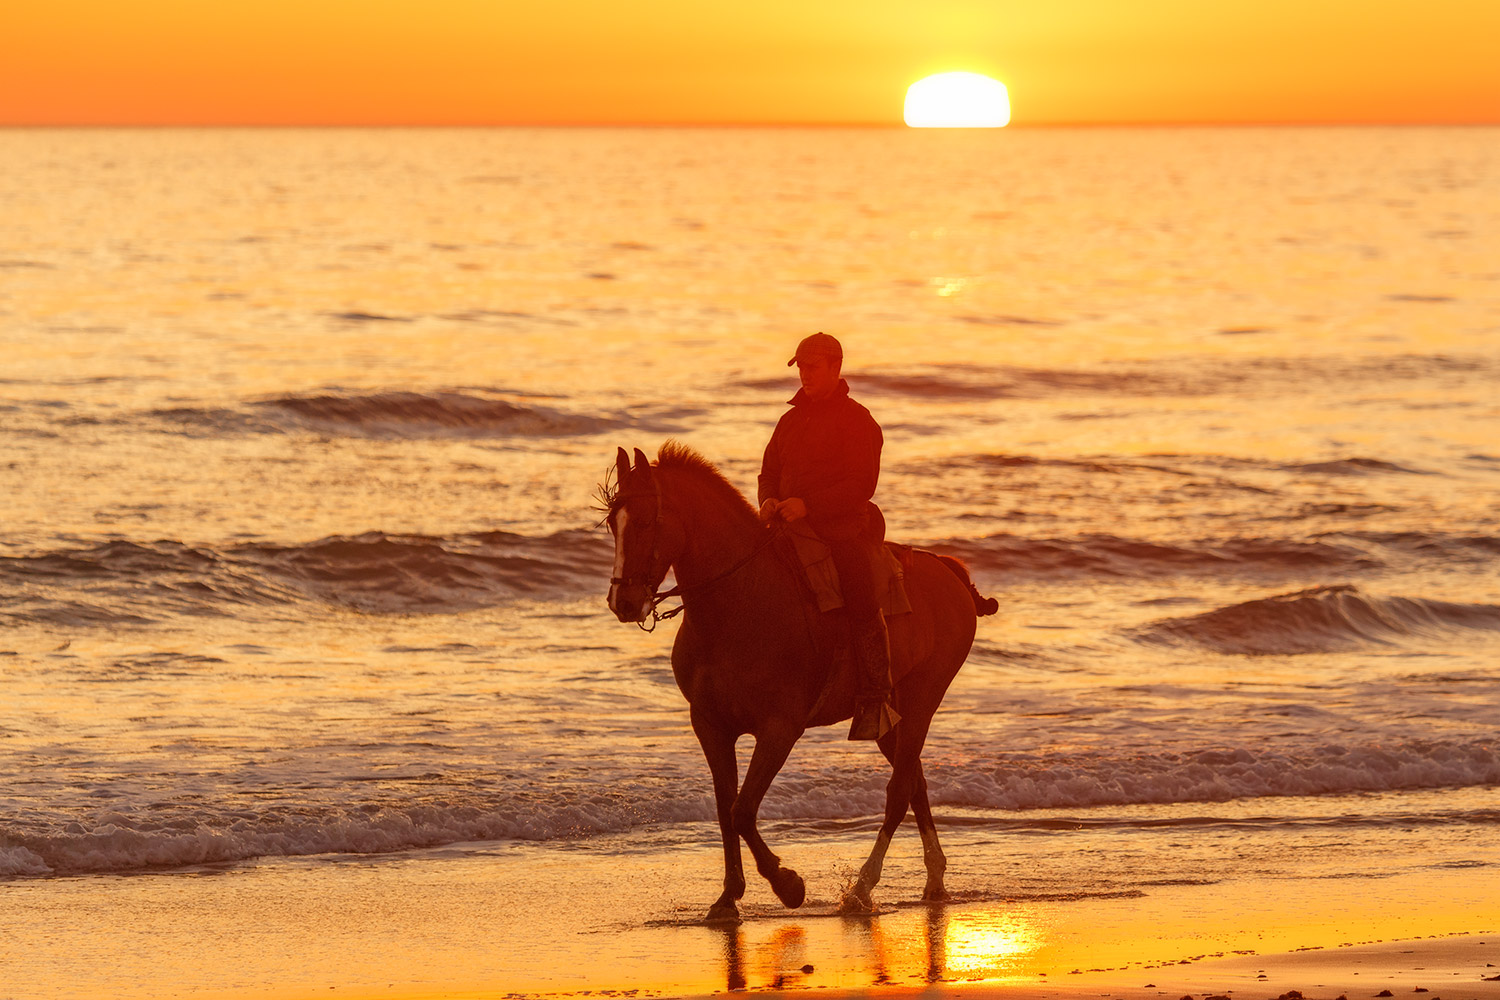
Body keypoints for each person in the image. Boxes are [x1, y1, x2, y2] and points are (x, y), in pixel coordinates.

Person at [757, 332, 901, 741]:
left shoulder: (858, 420)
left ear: (836, 368)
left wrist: (809, 505)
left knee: (858, 589)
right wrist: (768, 499)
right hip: (786, 526)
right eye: (800, 367)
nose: (804, 374)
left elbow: (861, 485)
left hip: (842, 529)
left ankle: (875, 695)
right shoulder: (788, 420)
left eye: (812, 367)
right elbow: (768, 473)